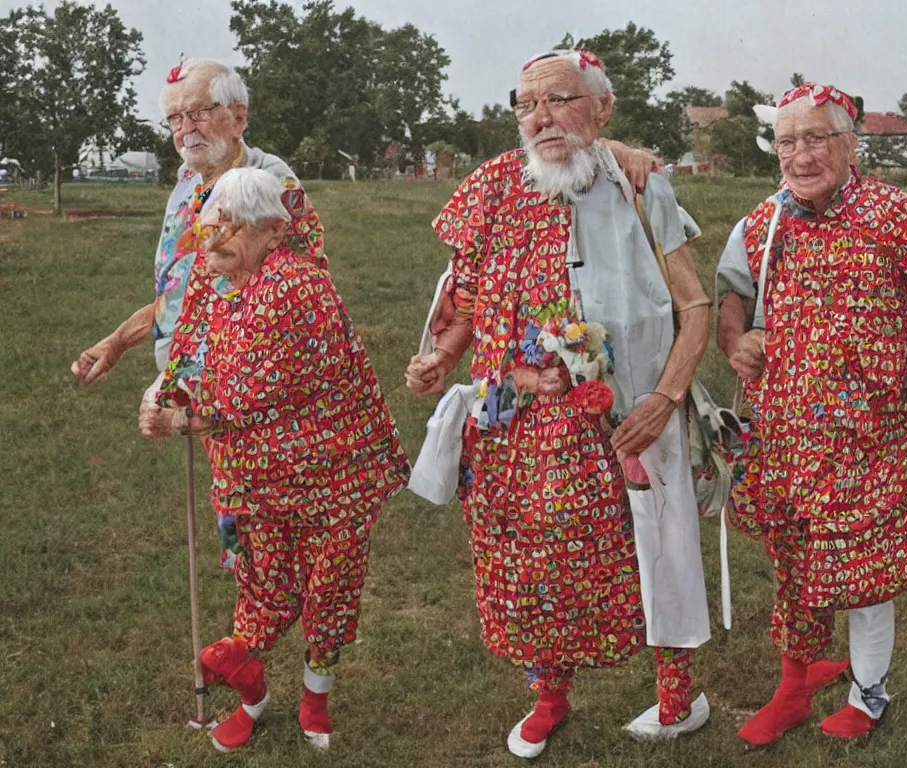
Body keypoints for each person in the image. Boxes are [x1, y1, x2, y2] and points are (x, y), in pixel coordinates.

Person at [405, 50, 712, 759]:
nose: (541, 118)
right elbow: (468, 300)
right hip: (518, 423)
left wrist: (666, 397)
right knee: (531, 564)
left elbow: (694, 306)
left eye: (560, 100)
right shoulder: (492, 189)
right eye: (526, 104)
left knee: (657, 546)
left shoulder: (641, 189)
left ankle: (678, 698)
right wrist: (441, 356)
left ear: (601, 109)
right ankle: (548, 698)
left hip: (628, 414)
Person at [715, 83, 907, 744]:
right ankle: (795, 686)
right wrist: (736, 342)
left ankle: (869, 694)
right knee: (793, 560)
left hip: (872, 436)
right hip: (784, 434)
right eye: (787, 141)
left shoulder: (899, 219)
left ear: (849, 143)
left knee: (865, 568)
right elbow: (732, 297)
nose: (801, 155)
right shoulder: (763, 223)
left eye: (816, 138)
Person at [144, 167, 409, 752]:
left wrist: (186, 417)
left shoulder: (295, 284)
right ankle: (252, 692)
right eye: (209, 222)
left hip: (333, 472)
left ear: (271, 232)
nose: (212, 238)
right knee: (261, 579)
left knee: (329, 585)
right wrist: (163, 395)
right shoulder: (216, 280)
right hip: (254, 476)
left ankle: (315, 699)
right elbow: (188, 354)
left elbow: (256, 388)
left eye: (229, 226)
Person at [71, 58, 324, 570]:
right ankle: (250, 618)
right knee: (234, 530)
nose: (185, 130)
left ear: (238, 114)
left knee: (278, 531)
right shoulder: (186, 187)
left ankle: (288, 632)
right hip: (202, 390)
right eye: (174, 120)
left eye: (198, 113)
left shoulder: (268, 184)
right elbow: (180, 293)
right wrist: (119, 341)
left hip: (256, 399)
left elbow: (283, 307)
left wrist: (193, 407)